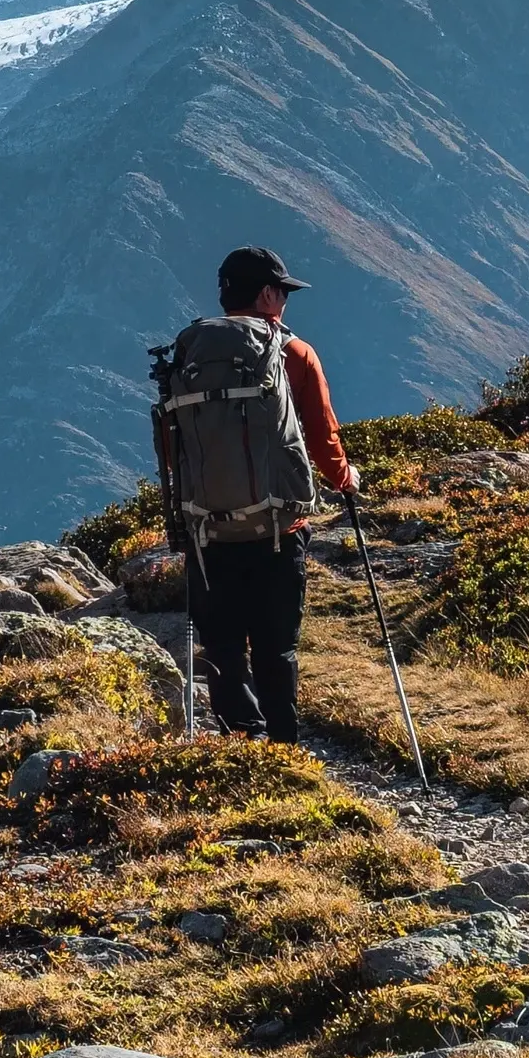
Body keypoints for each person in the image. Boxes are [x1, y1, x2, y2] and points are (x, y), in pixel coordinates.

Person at [167, 245, 356, 741]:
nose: (286, 302)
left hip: (209, 527)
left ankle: (242, 743)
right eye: (284, 292)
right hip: (279, 526)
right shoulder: (293, 353)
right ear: (269, 295)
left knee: (223, 644)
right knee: (276, 646)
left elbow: (171, 439)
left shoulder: (189, 355)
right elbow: (321, 432)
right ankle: (284, 747)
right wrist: (343, 478)